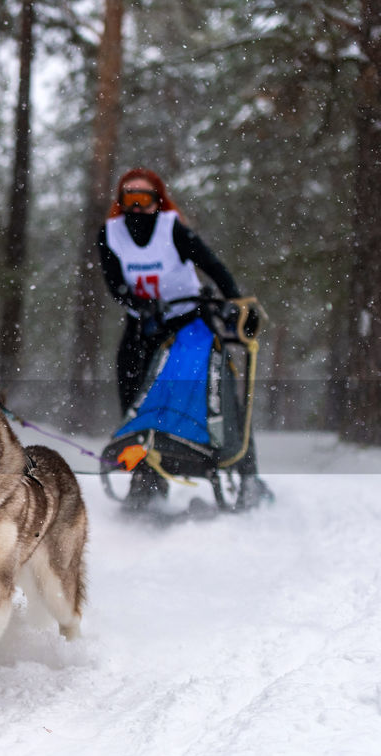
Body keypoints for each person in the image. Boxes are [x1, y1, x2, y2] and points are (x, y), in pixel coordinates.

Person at [97, 167, 267, 509]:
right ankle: (145, 480)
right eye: (128, 198)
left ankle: (246, 473)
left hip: (189, 322)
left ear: (157, 201)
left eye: (144, 198)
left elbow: (213, 266)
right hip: (143, 325)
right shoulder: (110, 234)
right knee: (135, 399)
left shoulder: (171, 228)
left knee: (217, 391)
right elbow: (114, 283)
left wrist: (233, 301)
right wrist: (140, 304)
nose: (136, 207)